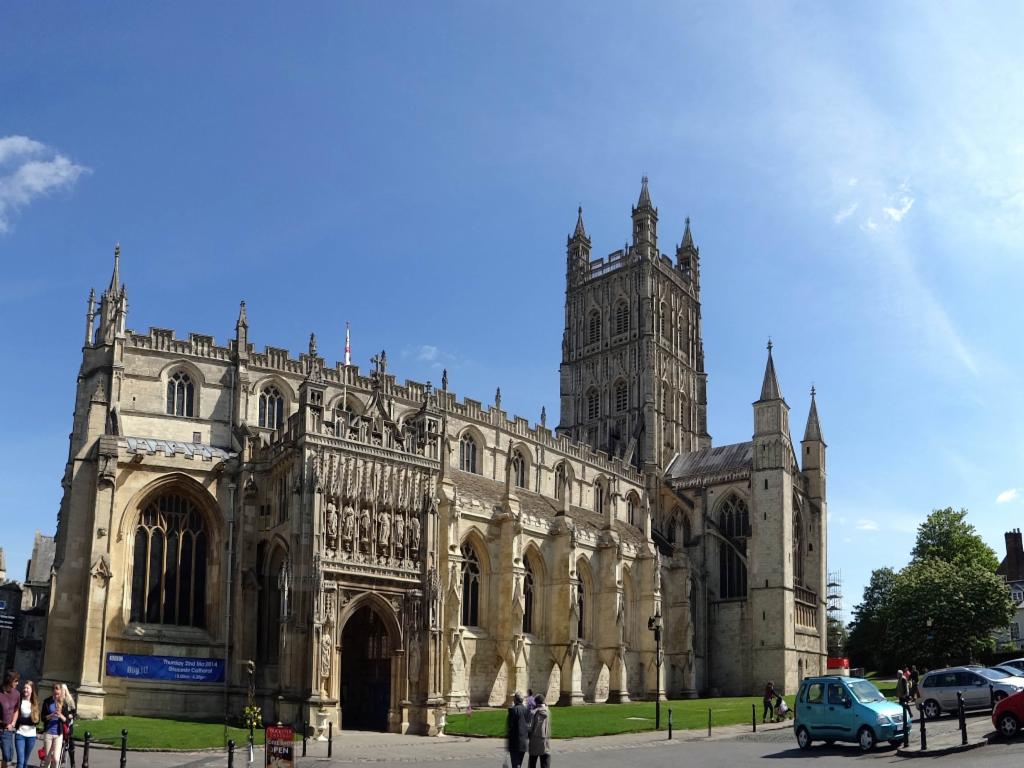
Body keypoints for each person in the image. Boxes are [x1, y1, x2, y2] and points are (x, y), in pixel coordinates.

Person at [40, 683, 70, 768]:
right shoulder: (47, 702)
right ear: (52, 692)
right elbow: (42, 718)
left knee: (56, 759)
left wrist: (60, 715)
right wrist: (51, 715)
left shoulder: (64, 704)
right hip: (48, 733)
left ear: (61, 692)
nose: (56, 695)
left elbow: (66, 721)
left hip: (58, 734)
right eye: (55, 693)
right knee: (47, 759)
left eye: (58, 693)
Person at [13, 680, 38, 768]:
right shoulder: (19, 701)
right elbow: (17, 719)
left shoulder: (35, 703)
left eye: (27, 688)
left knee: (25, 763)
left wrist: (24, 720)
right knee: (20, 762)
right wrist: (29, 721)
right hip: (20, 734)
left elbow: (36, 721)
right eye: (24, 688)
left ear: (32, 690)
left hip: (31, 736)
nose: (25, 689)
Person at [0, 671, 20, 768]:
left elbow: (16, 710)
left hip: (7, 730)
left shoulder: (16, 694)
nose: (17, 683)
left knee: (7, 756)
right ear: (9, 680)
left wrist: (13, 723)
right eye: (15, 681)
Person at [506, 692, 530, 768]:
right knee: (519, 763)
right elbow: (528, 725)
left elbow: (510, 726)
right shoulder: (526, 710)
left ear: (515, 700)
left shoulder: (513, 710)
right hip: (523, 741)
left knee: (515, 764)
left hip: (515, 742)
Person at [527, 693, 550, 768]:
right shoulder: (548, 711)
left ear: (536, 702)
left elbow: (529, 728)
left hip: (534, 740)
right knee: (545, 763)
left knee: (532, 763)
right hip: (545, 741)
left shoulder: (533, 713)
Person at [60, 685, 77, 768]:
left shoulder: (69, 700)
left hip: (69, 724)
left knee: (70, 743)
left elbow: (74, 713)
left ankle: (72, 763)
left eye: (64, 690)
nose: (62, 692)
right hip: (61, 724)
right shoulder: (58, 700)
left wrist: (71, 716)